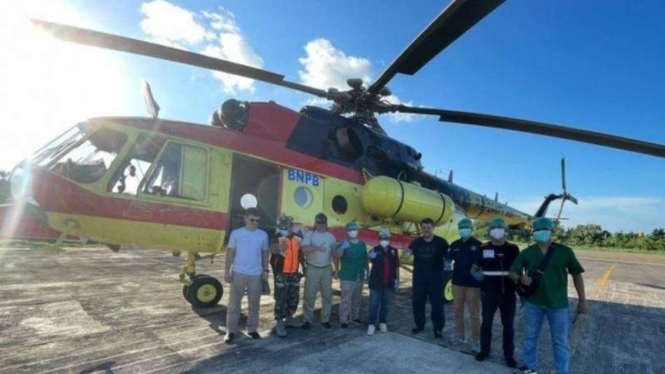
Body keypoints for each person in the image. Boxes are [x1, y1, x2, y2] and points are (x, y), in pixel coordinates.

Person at [510, 217, 587, 374]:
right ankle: (530, 367)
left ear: (552, 232)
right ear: (533, 233)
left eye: (545, 230)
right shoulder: (528, 252)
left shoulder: (565, 252)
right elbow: (513, 272)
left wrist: (582, 301)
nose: (541, 233)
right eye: (538, 230)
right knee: (530, 337)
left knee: (560, 341)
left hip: (558, 304)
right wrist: (520, 278)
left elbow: (577, 275)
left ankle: (562, 371)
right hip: (533, 303)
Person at [470, 217, 520, 368]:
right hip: (489, 293)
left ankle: (509, 355)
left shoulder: (513, 248)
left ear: (505, 231)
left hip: (508, 294)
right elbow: (474, 268)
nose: (497, 231)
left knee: (508, 326)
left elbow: (519, 269)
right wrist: (476, 275)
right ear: (490, 231)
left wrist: (519, 280)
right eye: (494, 228)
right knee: (486, 324)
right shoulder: (484, 248)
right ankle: (484, 351)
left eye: (500, 228)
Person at [224, 208, 270, 344]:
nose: (255, 223)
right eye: (252, 220)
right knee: (233, 305)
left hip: (256, 274)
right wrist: (227, 271)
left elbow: (265, 253)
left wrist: (266, 270)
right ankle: (230, 331)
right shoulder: (236, 234)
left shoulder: (263, 235)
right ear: (245, 218)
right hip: (238, 273)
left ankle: (252, 329)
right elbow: (230, 253)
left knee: (254, 305)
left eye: (257, 221)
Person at [404, 217, 448, 339]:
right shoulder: (416, 242)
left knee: (437, 305)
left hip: (435, 278)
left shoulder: (441, 242)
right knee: (417, 303)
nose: (426, 230)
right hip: (419, 278)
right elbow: (407, 252)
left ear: (433, 228)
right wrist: (406, 253)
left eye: (428, 227)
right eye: (424, 228)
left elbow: (449, 256)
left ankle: (438, 329)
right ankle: (419, 326)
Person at [447, 218, 482, 348]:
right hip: (457, 283)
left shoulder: (479, 245)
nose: (464, 230)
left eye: (466, 227)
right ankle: (460, 336)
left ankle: (476, 341)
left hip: (473, 285)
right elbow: (448, 259)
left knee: (474, 314)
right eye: (461, 227)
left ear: (471, 229)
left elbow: (481, 264)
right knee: (457, 311)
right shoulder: (454, 244)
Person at [270, 215, 306, 338]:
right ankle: (279, 322)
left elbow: (300, 254)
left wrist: (303, 267)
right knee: (281, 298)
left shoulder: (297, 238)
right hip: (281, 274)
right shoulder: (277, 237)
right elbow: (273, 249)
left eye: (291, 224)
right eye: (287, 224)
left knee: (293, 297)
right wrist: (279, 247)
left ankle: (289, 318)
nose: (290, 227)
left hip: (295, 273)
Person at [301, 213, 338, 329]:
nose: (321, 224)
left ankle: (325, 319)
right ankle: (307, 320)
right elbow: (304, 250)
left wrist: (337, 269)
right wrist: (316, 248)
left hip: (326, 268)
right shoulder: (310, 235)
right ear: (315, 223)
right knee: (309, 295)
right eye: (319, 222)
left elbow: (334, 255)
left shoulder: (331, 237)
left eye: (323, 222)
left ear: (326, 223)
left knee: (327, 296)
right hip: (312, 267)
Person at [334, 221, 369, 328]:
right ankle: (343, 320)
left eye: (354, 229)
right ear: (347, 231)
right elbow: (336, 256)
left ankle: (355, 317)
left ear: (357, 230)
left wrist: (368, 271)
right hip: (347, 275)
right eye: (350, 230)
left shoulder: (362, 243)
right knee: (346, 298)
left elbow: (365, 258)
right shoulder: (344, 243)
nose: (352, 231)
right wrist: (342, 248)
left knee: (357, 298)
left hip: (359, 274)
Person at [366, 228, 401, 335]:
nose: (383, 240)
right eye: (381, 238)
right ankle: (371, 324)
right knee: (374, 304)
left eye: (385, 238)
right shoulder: (374, 250)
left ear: (389, 239)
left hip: (389, 282)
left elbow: (397, 266)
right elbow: (367, 258)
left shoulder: (394, 251)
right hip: (376, 282)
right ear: (379, 239)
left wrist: (398, 280)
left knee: (386, 304)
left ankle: (382, 322)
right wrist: (369, 257)